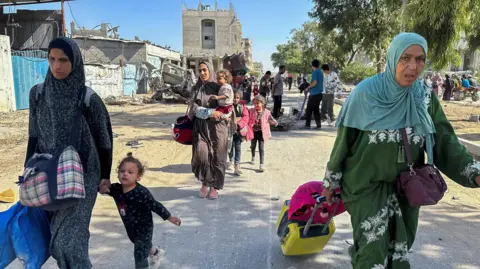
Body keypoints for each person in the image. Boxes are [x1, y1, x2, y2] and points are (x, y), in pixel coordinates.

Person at [322, 32, 480, 269]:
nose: (413, 67)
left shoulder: (424, 97)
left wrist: (472, 172)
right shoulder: (366, 94)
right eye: (405, 58)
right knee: (371, 251)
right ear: (393, 57)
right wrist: (331, 182)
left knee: (400, 250)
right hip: (365, 185)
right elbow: (343, 144)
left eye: (419, 59)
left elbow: (445, 141)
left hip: (407, 187)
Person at [24, 37, 113, 268]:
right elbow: (33, 135)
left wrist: (105, 175)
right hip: (47, 173)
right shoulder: (38, 94)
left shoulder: (88, 98)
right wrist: (27, 170)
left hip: (82, 175)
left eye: (64, 60)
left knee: (68, 241)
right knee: (56, 240)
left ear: (75, 62)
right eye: (52, 59)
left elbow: (104, 141)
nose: (57, 66)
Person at [108, 153, 182, 269]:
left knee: (139, 253)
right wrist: (102, 187)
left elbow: (155, 205)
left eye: (130, 172)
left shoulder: (141, 192)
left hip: (144, 227)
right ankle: (156, 253)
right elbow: (104, 188)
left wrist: (169, 217)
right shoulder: (116, 189)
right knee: (142, 245)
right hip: (131, 228)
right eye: (122, 171)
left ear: (138, 176)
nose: (125, 174)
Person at [188, 62, 228, 200]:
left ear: (210, 70)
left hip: (218, 128)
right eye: (200, 70)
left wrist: (220, 112)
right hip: (201, 127)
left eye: (205, 70)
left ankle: (215, 186)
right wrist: (210, 112)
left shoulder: (220, 87)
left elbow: (229, 105)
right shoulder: (195, 88)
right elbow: (193, 108)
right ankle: (205, 182)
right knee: (202, 154)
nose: (202, 73)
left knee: (218, 156)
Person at [247, 95, 278, 172]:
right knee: (253, 146)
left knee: (261, 148)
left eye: (258, 103)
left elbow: (271, 118)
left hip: (262, 133)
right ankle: (253, 157)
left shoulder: (267, 112)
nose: (256, 105)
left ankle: (261, 164)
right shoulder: (251, 111)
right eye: (254, 103)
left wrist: (275, 122)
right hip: (253, 132)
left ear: (262, 103)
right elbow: (246, 116)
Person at [228, 90, 250, 175]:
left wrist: (238, 123)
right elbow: (226, 116)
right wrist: (234, 120)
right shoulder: (228, 106)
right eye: (234, 97)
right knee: (230, 147)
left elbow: (245, 117)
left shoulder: (242, 107)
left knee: (237, 147)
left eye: (237, 98)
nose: (235, 99)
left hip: (239, 131)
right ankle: (230, 161)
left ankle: (237, 165)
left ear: (240, 98)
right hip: (230, 130)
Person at [302, 59, 324, 129]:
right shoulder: (321, 72)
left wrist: (307, 88)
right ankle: (318, 125)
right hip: (320, 93)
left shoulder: (314, 72)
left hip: (314, 94)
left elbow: (314, 82)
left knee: (309, 110)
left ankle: (307, 125)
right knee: (316, 110)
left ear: (312, 65)